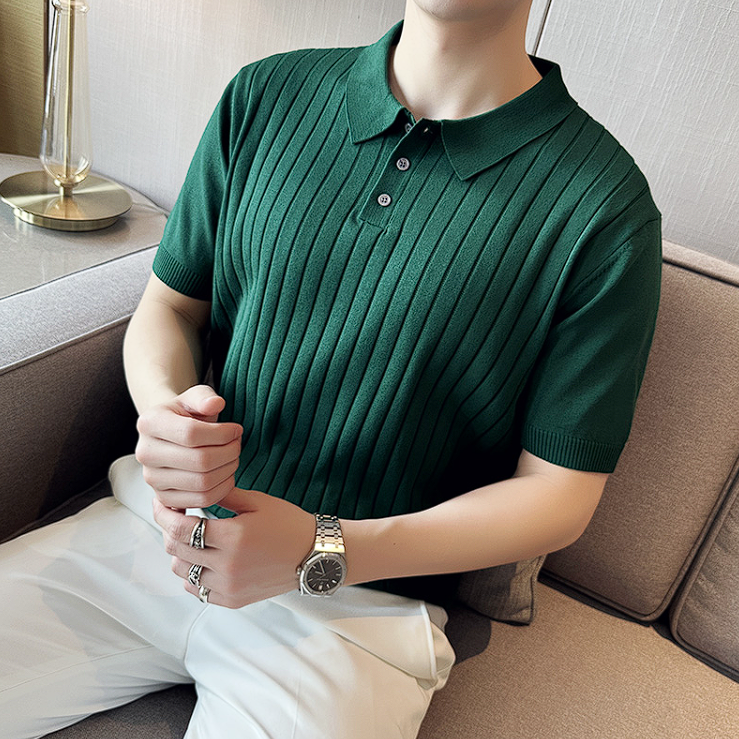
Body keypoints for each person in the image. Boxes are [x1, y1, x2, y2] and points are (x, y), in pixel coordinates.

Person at [1, 1, 662, 736]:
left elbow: (559, 495)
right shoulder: (264, 95)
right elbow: (172, 307)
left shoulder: (605, 209)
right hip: (150, 535)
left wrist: (324, 548)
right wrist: (164, 413)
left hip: (356, 609)